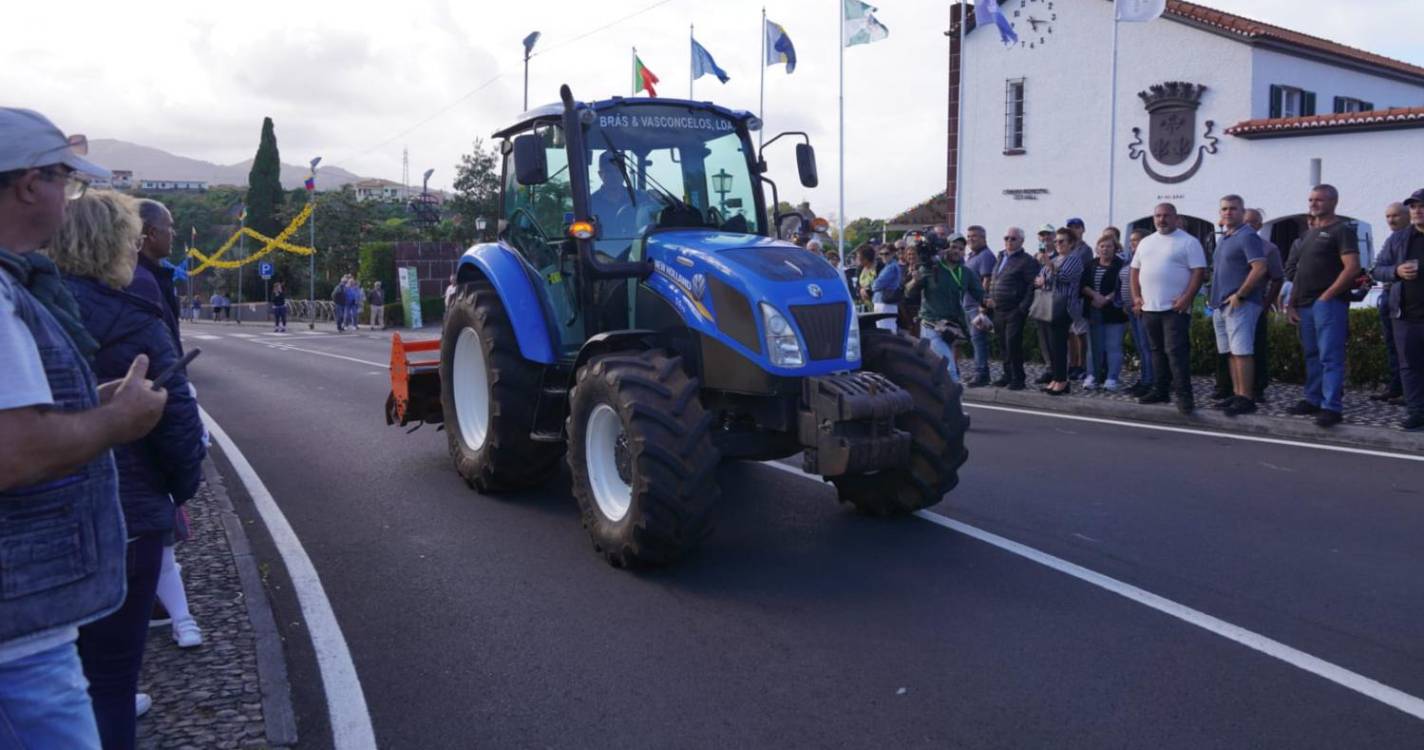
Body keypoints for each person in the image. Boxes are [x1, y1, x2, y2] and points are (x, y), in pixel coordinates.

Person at [0, 108, 169, 750]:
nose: (70, 201)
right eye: (65, 184)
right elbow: (12, 452)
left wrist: (90, 401)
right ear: (27, 185)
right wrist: (117, 419)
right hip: (22, 626)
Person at [46, 189, 204, 750]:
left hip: (40, 517)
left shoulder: (28, 304)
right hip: (128, 515)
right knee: (110, 682)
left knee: (53, 675)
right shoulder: (134, 315)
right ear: (118, 244)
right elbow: (177, 419)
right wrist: (179, 492)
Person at [1284, 185, 1360, 428]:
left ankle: (1331, 407)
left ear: (1333, 202)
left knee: (1330, 356)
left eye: (1319, 200)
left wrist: (1327, 295)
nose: (1313, 204)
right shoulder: (1307, 235)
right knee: (1312, 355)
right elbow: (1299, 273)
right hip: (1304, 305)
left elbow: (1352, 267)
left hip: (1329, 304)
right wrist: (1291, 304)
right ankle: (1313, 399)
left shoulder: (1342, 230)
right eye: (1311, 199)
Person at [1131, 202, 1207, 414]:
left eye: (1166, 215)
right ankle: (1160, 390)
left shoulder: (1189, 242)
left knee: (1176, 353)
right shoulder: (1146, 242)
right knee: (1156, 351)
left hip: (1175, 309)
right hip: (1149, 308)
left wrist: (1187, 298)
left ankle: (1184, 397)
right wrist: (1136, 297)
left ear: (1175, 218)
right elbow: (1134, 271)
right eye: (1158, 216)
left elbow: (1198, 272)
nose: (1161, 219)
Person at [1207, 195, 1268, 415]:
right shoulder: (1224, 238)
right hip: (1220, 305)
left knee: (1242, 352)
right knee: (1231, 353)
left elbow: (1259, 267)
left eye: (1233, 209)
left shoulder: (1247, 236)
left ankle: (1246, 398)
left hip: (1240, 304)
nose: (1228, 212)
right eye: (1224, 208)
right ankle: (1236, 394)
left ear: (1242, 212)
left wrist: (1240, 294)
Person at [1371, 188, 1424, 431]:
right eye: (1413, 207)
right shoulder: (1399, 239)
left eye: (1421, 206)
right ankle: (1416, 413)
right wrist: (1396, 272)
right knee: (1409, 366)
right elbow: (1377, 269)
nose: (1417, 211)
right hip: (1405, 315)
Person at [905, 233, 983, 383]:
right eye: (953, 247)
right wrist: (914, 281)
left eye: (961, 249)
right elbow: (908, 293)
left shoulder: (966, 273)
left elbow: (980, 295)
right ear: (946, 249)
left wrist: (987, 305)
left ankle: (930, 400)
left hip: (950, 328)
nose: (957, 251)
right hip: (930, 326)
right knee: (949, 369)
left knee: (937, 370)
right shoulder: (931, 268)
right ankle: (956, 404)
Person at [988, 227, 1040, 390]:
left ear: (1021, 241)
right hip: (998, 308)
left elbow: (1032, 285)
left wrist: (1022, 308)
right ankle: (1007, 374)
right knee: (1003, 344)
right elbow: (994, 280)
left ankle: (1019, 378)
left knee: (1013, 344)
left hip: (1014, 309)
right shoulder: (1001, 257)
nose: (1009, 241)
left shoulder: (1027, 260)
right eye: (1006, 238)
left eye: (1013, 239)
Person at [1036, 228, 1085, 395]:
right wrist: (1041, 278)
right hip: (1049, 304)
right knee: (1051, 345)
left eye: (1061, 241)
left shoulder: (1074, 259)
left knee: (1059, 345)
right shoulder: (1056, 259)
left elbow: (1064, 277)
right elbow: (1041, 276)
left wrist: (1048, 266)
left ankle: (1062, 380)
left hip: (1063, 305)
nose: (1057, 244)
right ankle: (1055, 378)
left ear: (1071, 243)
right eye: (1056, 241)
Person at [1370, 202, 1410, 402]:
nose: (1391, 220)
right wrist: (1395, 271)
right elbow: (1378, 269)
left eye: (1395, 215)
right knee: (1392, 346)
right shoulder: (1393, 240)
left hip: (1411, 301)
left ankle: (1410, 392)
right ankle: (1396, 387)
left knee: (1409, 349)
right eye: (1388, 216)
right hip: (1391, 298)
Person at [1244, 209, 1285, 402]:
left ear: (1260, 226)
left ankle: (1257, 388)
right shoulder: (1231, 243)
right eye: (1246, 222)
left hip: (1255, 303)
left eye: (1254, 223)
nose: (1249, 226)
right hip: (1231, 305)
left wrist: (1266, 303)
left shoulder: (1269, 249)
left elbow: (1277, 279)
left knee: (1256, 347)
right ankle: (1228, 387)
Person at [1082, 234, 1128, 390]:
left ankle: (1112, 378)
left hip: (1114, 312)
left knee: (1113, 346)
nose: (1105, 249)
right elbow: (1083, 284)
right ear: (1097, 248)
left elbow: (1122, 286)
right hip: (1093, 310)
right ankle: (1092, 376)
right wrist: (1095, 296)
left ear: (1115, 248)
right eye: (1102, 246)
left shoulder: (1121, 265)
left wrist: (1106, 299)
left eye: (1109, 246)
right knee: (1093, 347)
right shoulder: (1091, 264)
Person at [1120, 229, 1155, 396]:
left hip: (1142, 308)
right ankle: (1144, 378)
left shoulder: (1148, 259)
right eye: (1131, 240)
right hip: (1130, 309)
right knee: (1140, 348)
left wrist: (1138, 301)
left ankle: (1150, 381)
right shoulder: (1130, 259)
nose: (1132, 243)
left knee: (1146, 346)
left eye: (1136, 240)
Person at [963, 225, 997, 386]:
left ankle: (982, 374)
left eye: (974, 236)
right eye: (969, 236)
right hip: (969, 304)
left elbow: (987, 280)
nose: (970, 239)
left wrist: (983, 303)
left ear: (983, 238)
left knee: (979, 340)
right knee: (975, 340)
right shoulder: (972, 256)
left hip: (977, 306)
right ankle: (979, 371)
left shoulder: (986, 256)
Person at [869, 242, 901, 331]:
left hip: (885, 303)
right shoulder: (889, 266)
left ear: (893, 253)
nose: (883, 256)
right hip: (885, 302)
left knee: (885, 330)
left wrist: (872, 285)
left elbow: (877, 284)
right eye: (881, 254)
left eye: (886, 254)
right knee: (887, 328)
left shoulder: (891, 267)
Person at [854, 244, 878, 312]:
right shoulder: (860, 268)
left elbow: (879, 284)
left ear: (866, 258)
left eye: (858, 256)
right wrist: (861, 289)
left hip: (876, 302)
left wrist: (868, 291)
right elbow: (857, 285)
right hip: (864, 304)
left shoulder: (879, 267)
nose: (857, 258)